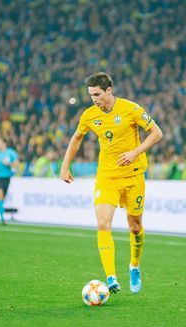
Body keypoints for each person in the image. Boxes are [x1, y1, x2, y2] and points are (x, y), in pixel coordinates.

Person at [60, 72, 163, 294]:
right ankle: (111, 276)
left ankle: (134, 265)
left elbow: (157, 133)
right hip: (107, 178)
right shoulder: (89, 115)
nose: (93, 99)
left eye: (97, 94)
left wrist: (135, 153)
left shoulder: (131, 109)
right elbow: (77, 137)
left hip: (134, 176)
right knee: (103, 223)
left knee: (135, 226)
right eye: (90, 95)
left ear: (108, 91)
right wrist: (64, 165)